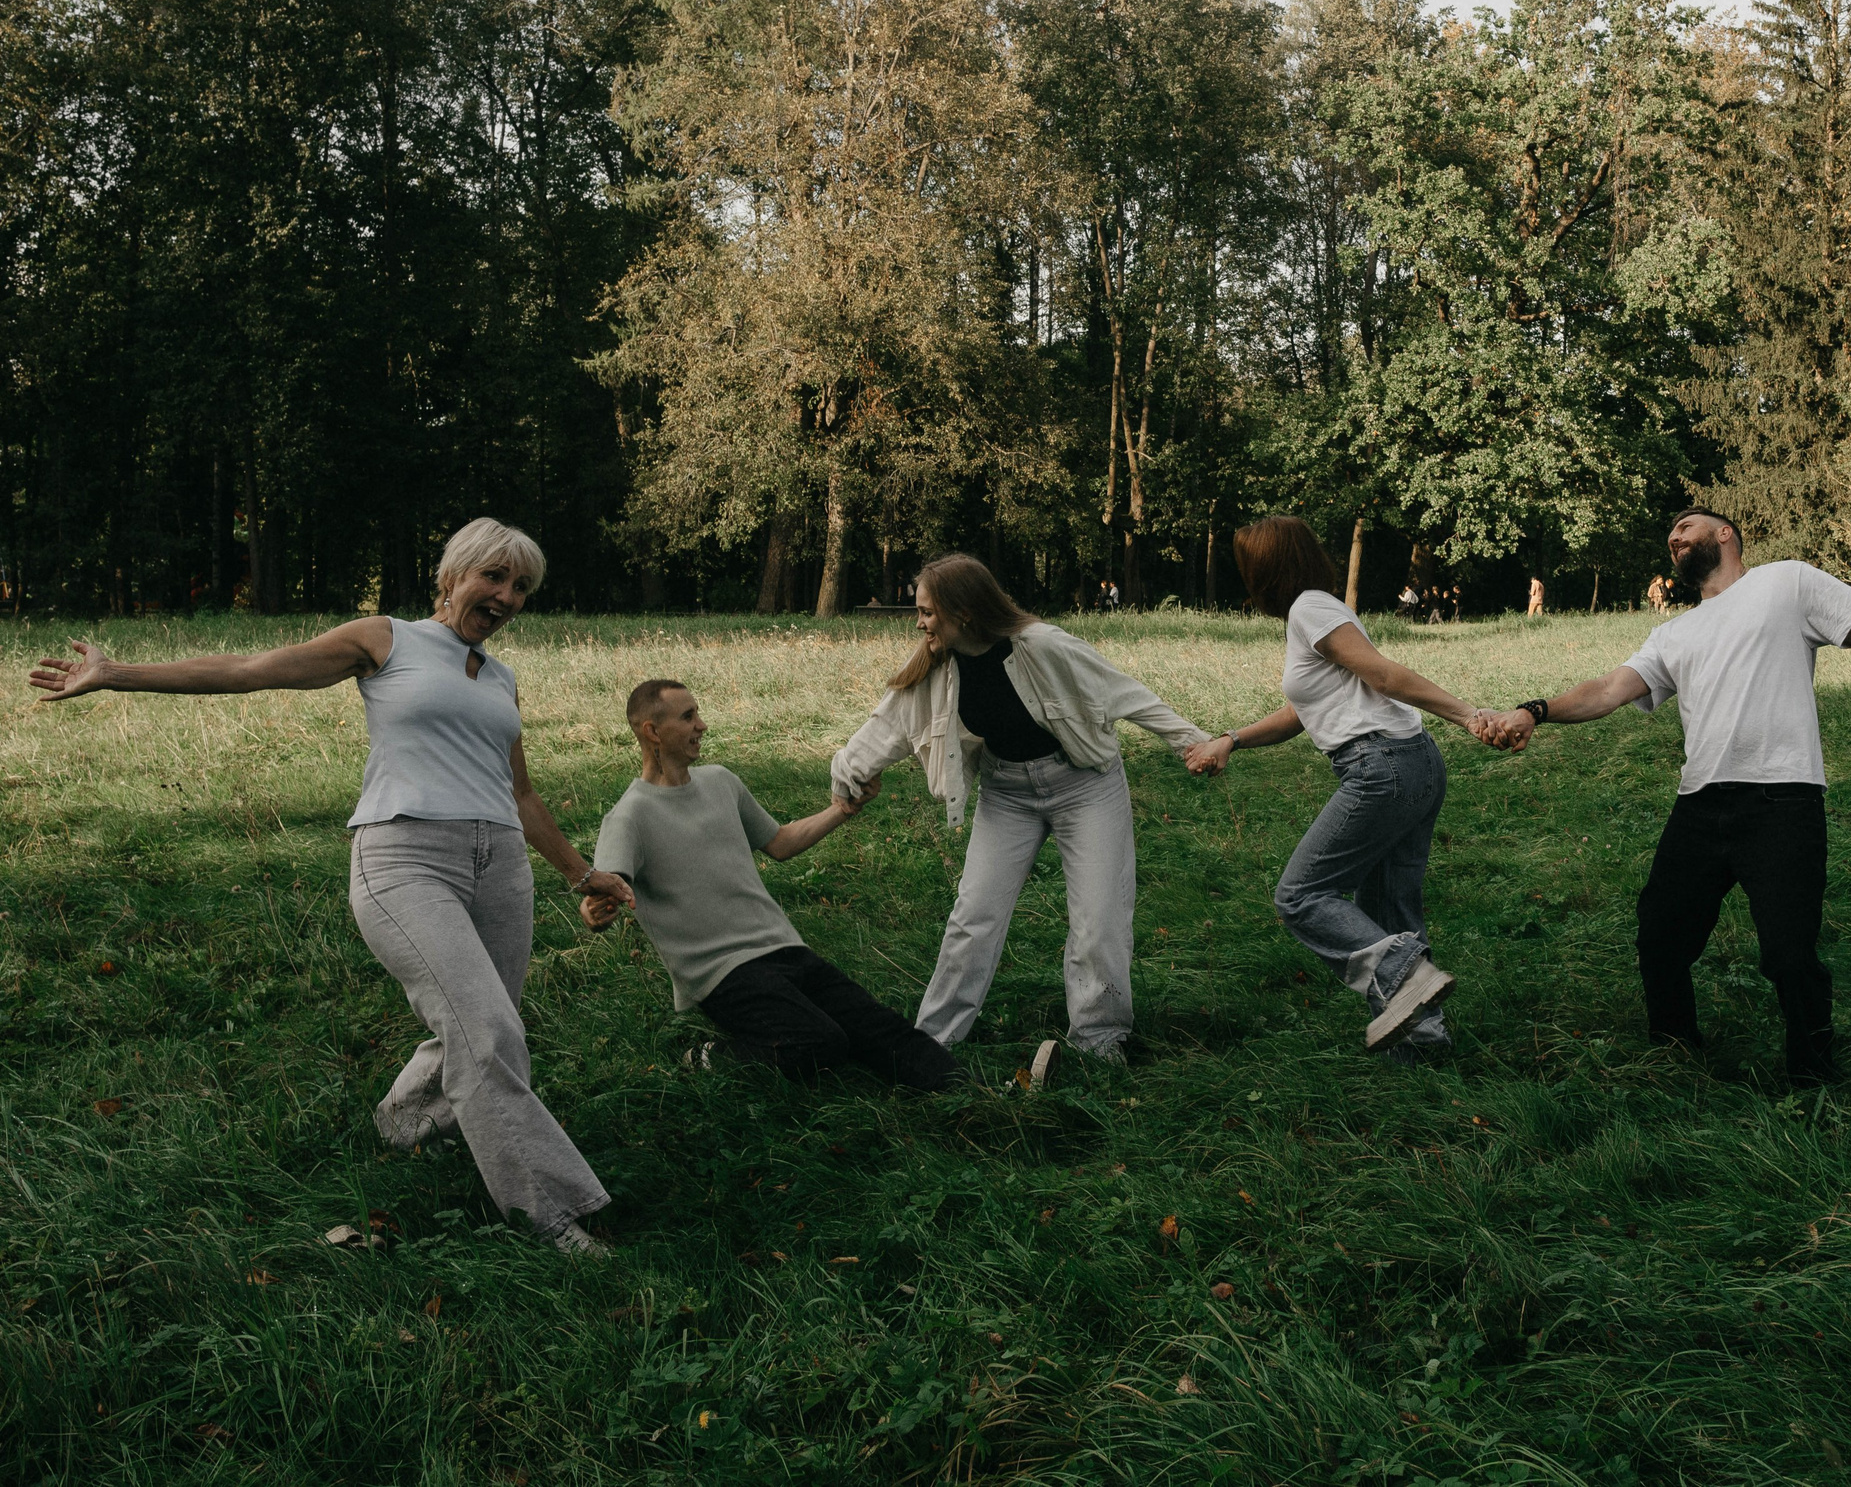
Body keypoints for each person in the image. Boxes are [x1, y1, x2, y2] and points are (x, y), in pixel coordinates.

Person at [25, 519, 630, 1256]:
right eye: (494, 577)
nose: (506, 596)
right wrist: (119, 673)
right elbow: (254, 667)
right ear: (453, 576)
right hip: (405, 856)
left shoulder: (499, 677)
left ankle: (406, 1121)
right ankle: (552, 1214)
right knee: (488, 1032)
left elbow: (522, 794)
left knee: (483, 1022)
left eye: (521, 586)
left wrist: (579, 872)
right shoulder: (386, 639)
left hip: (499, 862)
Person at [1475, 507, 1851, 1087]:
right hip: (1700, 802)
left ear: (1725, 534)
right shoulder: (1674, 633)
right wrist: (1534, 711)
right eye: (1670, 536)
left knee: (1790, 954)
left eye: (1686, 527)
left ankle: (1813, 1078)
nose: (1674, 538)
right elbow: (1608, 690)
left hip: (1782, 798)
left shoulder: (1785, 582)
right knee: (1659, 934)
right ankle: (1675, 1052)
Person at [828, 553, 1208, 1081]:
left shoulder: (1043, 645)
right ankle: (932, 1041)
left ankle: (1100, 1043)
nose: (919, 623)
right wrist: (848, 775)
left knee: (1098, 920)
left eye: (927, 613)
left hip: (1084, 785)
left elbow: (1123, 692)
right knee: (973, 917)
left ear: (963, 611)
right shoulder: (937, 664)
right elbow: (887, 723)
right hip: (1007, 793)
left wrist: (1192, 744)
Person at [1186, 517, 1500, 1058]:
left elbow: (1382, 675)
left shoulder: (1311, 608)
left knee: (1301, 895)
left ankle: (1407, 973)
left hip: (1382, 767)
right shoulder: (1316, 610)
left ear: (1265, 568)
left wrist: (1470, 715)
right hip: (1414, 763)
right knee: (1388, 911)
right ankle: (1424, 1046)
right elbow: (1299, 713)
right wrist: (1231, 739)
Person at [582, 679, 959, 1092]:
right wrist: (595, 911)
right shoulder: (629, 816)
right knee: (820, 1041)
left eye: (698, 713)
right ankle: (711, 1057)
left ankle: (975, 1093)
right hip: (721, 973)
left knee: (879, 1026)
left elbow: (780, 843)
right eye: (688, 717)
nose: (702, 725)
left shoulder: (720, 781)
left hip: (783, 947)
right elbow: (607, 886)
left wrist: (844, 809)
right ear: (651, 731)